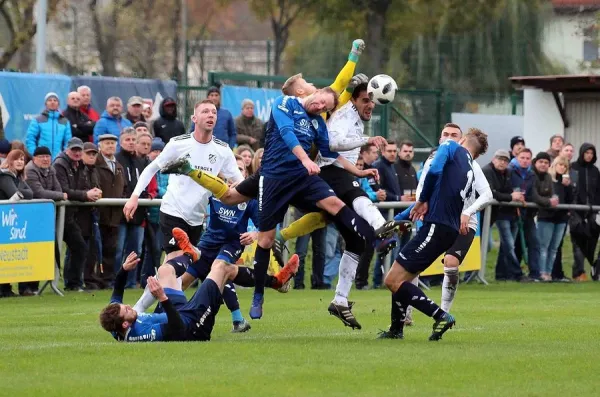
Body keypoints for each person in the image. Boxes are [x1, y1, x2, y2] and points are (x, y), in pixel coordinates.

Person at [123, 99, 244, 304]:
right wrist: (134, 196)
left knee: (173, 269)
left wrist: (239, 191)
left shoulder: (222, 150)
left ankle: (140, 310)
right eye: (205, 111)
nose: (210, 115)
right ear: (194, 118)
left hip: (196, 218)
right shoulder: (179, 143)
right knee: (176, 261)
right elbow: (152, 168)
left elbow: (240, 182)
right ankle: (170, 313)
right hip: (173, 211)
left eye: (214, 112)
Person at [378, 129, 488, 341]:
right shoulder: (468, 168)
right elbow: (433, 198)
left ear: (462, 140)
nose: (448, 138)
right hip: (447, 230)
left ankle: (441, 316)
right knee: (403, 279)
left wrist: (421, 200)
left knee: (392, 280)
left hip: (436, 227)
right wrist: (399, 219)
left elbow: (434, 172)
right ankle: (396, 329)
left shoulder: (450, 147)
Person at [54, 137, 102, 291]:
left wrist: (93, 191)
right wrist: (85, 194)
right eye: (73, 150)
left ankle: (73, 283)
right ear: (67, 149)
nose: (76, 153)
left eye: (78, 150)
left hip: (69, 214)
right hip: (57, 214)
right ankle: (69, 282)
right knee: (58, 249)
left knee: (79, 247)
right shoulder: (60, 164)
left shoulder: (80, 165)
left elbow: (82, 186)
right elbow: (64, 190)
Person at [482, 150, 525, 281]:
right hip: (481, 213)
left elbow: (505, 190)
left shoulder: (507, 173)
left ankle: (500, 275)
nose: (502, 162)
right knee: (485, 245)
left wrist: (513, 196)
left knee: (499, 245)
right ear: (493, 159)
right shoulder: (487, 170)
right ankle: (517, 274)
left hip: (496, 213)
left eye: (505, 160)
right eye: (500, 159)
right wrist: (511, 197)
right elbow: (490, 193)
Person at [0, 149, 33, 297]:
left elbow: (30, 194)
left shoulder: (18, 178)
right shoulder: (5, 176)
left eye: (23, 159)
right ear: (10, 161)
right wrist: (21, 191)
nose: (20, 162)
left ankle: (6, 288)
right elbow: (14, 195)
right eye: (17, 159)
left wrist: (20, 191)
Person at [95, 134, 126, 287]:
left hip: (115, 215)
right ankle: (95, 279)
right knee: (96, 249)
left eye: (113, 143)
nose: (110, 146)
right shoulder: (96, 163)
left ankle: (107, 279)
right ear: (99, 145)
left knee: (111, 249)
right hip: (99, 213)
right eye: (107, 143)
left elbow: (124, 187)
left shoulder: (118, 166)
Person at [537, 155, 573, 281]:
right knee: (544, 246)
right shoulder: (546, 179)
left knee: (554, 248)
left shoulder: (565, 183)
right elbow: (540, 196)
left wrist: (569, 186)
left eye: (565, 166)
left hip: (561, 219)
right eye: (560, 164)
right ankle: (542, 273)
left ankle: (549, 273)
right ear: (554, 165)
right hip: (546, 217)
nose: (562, 167)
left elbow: (570, 200)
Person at [568, 143, 600, 281]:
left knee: (591, 241)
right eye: (587, 153)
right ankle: (578, 272)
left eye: (591, 153)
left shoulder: (595, 171)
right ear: (582, 153)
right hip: (576, 211)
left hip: (593, 211)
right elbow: (571, 189)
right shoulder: (573, 168)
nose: (589, 155)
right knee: (578, 242)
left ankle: (594, 270)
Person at [25, 92, 71, 160]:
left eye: (55, 100)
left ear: (58, 104)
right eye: (50, 100)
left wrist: (64, 157)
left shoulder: (65, 122)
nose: (52, 102)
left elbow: (68, 142)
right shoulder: (37, 120)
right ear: (46, 103)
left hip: (59, 160)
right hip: (41, 159)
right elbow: (30, 139)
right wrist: (35, 154)